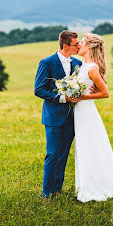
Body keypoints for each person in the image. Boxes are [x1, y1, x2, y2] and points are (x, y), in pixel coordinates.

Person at [73, 33, 113, 202]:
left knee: (90, 146)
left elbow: (105, 93)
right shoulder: (83, 66)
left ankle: (94, 186)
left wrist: (82, 97)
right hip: (80, 111)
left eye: (81, 42)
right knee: (86, 146)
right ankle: (88, 182)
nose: (78, 45)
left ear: (88, 46)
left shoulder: (92, 68)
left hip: (86, 112)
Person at [34, 30, 82, 201]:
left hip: (72, 117)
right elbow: (39, 89)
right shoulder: (47, 62)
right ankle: (46, 193)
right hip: (54, 117)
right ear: (65, 45)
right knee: (53, 154)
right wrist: (62, 97)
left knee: (63, 155)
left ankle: (57, 190)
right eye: (76, 44)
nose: (79, 46)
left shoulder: (77, 63)